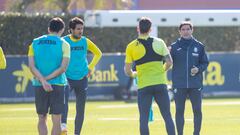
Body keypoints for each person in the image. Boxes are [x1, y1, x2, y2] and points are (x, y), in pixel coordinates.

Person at [124, 17, 175, 135]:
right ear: (150, 29)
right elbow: (169, 62)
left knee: (143, 119)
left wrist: (134, 74)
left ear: (138, 28)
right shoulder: (160, 42)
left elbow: (127, 70)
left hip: (144, 86)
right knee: (167, 116)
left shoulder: (131, 46)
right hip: (160, 84)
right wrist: (162, 71)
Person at [28, 17, 70, 135]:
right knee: (57, 120)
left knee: (42, 118)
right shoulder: (64, 44)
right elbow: (63, 68)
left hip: (39, 84)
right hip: (58, 84)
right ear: (62, 30)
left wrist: (42, 80)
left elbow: (31, 66)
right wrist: (46, 80)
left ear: (48, 29)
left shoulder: (34, 42)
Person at [61, 17, 102, 135]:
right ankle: (63, 127)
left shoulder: (85, 41)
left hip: (82, 79)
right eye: (78, 29)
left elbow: (98, 53)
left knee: (80, 109)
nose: (81, 31)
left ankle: (77, 133)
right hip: (67, 78)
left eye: (82, 28)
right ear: (71, 30)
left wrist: (90, 67)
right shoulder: (63, 41)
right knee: (63, 103)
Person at [170, 21, 209, 135]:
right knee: (179, 111)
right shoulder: (174, 47)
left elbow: (205, 63)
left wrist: (198, 69)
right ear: (179, 31)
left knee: (197, 111)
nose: (186, 31)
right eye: (183, 29)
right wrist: (166, 54)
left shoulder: (199, 46)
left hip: (195, 84)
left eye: (188, 29)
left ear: (192, 30)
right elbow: (166, 61)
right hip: (179, 84)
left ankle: (196, 133)